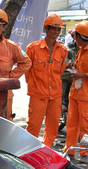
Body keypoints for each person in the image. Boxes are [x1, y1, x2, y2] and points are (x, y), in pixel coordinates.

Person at [25, 14, 69, 147]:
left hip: (55, 95)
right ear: (46, 29)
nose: (55, 32)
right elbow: (27, 71)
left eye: (58, 29)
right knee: (33, 125)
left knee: (53, 126)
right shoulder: (32, 48)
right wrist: (34, 86)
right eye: (53, 29)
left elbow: (60, 71)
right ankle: (28, 151)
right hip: (38, 94)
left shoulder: (63, 51)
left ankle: (46, 149)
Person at [63, 20, 88, 156]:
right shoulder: (81, 51)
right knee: (71, 124)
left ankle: (86, 152)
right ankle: (70, 149)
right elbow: (83, 69)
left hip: (87, 96)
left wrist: (80, 74)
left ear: (79, 36)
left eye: (76, 35)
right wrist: (73, 67)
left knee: (86, 126)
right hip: (76, 94)